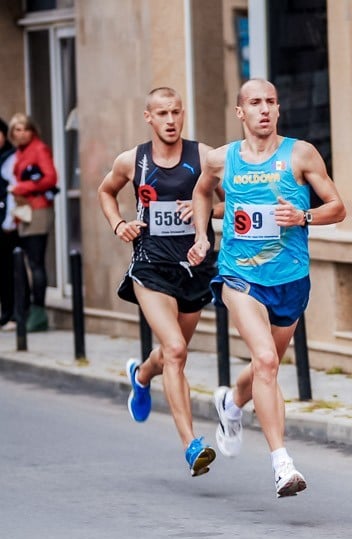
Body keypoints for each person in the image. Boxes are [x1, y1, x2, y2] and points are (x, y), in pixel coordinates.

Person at [189, 78, 346, 497]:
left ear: (278, 110)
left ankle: (231, 403)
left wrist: (304, 216)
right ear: (240, 112)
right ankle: (282, 464)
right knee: (265, 360)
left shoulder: (300, 154)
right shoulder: (221, 159)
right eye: (255, 103)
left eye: (271, 102)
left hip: (290, 278)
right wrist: (202, 235)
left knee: (268, 364)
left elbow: (338, 207)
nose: (264, 109)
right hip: (239, 275)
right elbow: (201, 192)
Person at [97, 87, 222, 477]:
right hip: (150, 267)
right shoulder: (132, 160)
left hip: (194, 267)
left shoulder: (203, 157)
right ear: (148, 117)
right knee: (175, 349)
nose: (170, 120)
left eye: (176, 112)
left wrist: (204, 207)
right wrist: (119, 223)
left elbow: (230, 200)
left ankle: (141, 375)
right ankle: (191, 445)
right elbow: (105, 191)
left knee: (174, 351)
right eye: (162, 113)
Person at [9, 113, 57, 333]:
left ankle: (38, 313)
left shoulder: (38, 148)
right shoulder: (20, 153)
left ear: (32, 131)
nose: (21, 133)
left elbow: (50, 178)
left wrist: (23, 188)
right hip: (24, 211)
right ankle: (29, 311)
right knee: (27, 262)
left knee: (36, 261)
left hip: (38, 209)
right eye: (17, 130)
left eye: (25, 129)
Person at [0, 118, 18, 330]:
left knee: (11, 267)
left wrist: (8, 220)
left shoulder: (11, 157)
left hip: (9, 220)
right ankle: (6, 311)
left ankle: (13, 313)